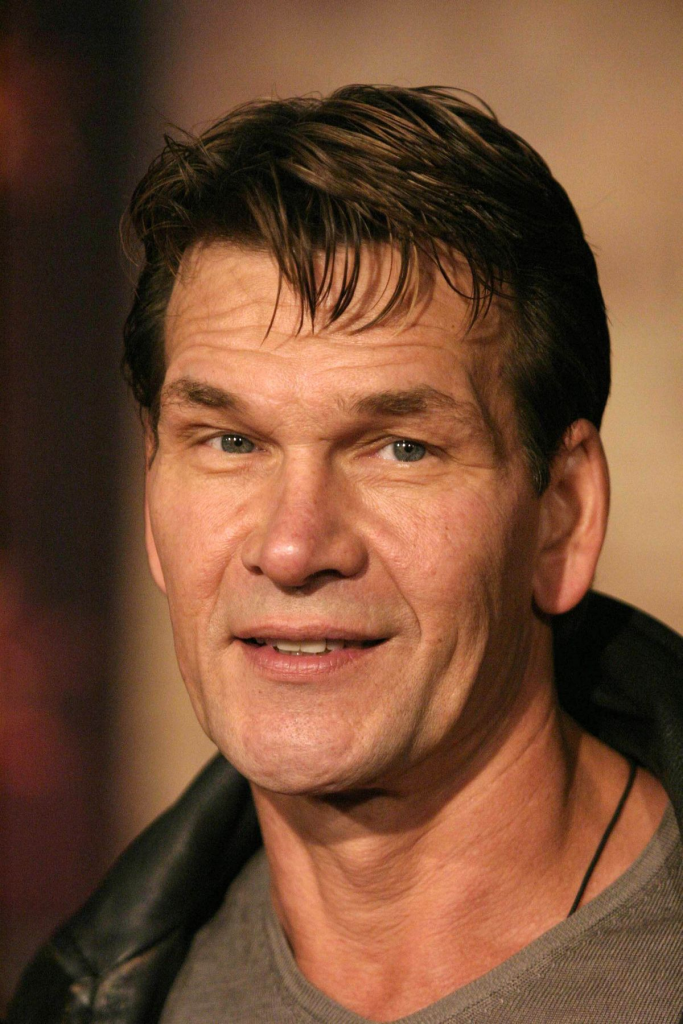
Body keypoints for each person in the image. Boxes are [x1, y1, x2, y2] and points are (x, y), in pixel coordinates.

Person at [8, 85, 683, 1024]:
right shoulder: (87, 999)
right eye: (230, 442)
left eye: (400, 449)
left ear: (562, 515)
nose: (291, 548)